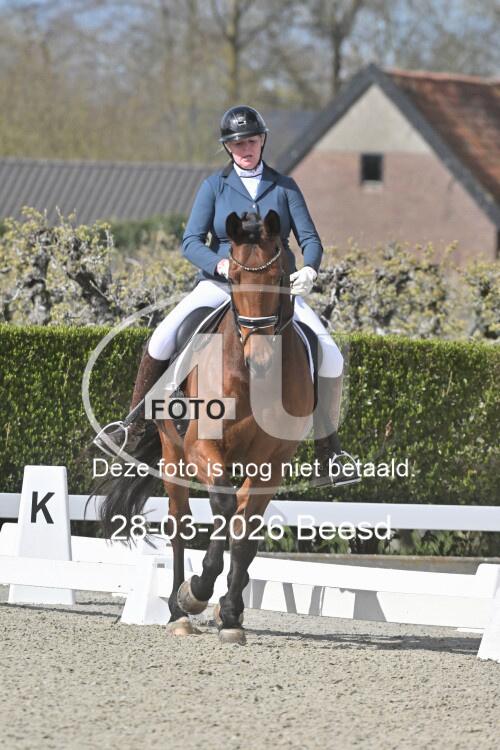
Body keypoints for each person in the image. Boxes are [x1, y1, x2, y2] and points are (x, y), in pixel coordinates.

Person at [100, 105, 359, 485]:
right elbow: (191, 241)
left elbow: (310, 239)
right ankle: (132, 426)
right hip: (221, 283)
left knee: (331, 356)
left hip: (273, 290)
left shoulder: (285, 187)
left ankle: (329, 452)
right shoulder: (214, 187)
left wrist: (309, 269)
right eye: (238, 143)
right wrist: (220, 264)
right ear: (228, 147)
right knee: (162, 337)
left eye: (251, 141)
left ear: (262, 141)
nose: (245, 148)